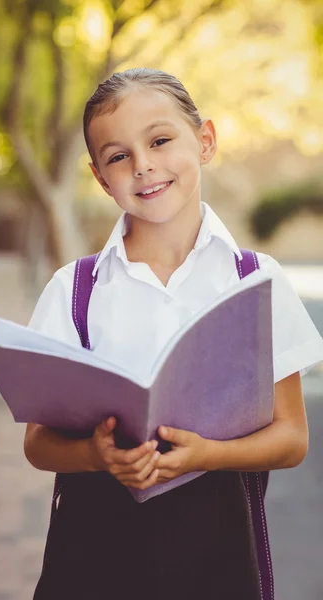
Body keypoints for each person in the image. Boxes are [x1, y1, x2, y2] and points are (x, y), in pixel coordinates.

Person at [24, 68, 323, 600]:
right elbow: (38, 444)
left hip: (218, 556)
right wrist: (98, 455)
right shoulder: (75, 290)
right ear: (99, 177)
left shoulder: (255, 281)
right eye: (118, 156)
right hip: (93, 557)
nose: (143, 166)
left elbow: (293, 438)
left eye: (160, 140)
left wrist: (206, 454)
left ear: (205, 141)